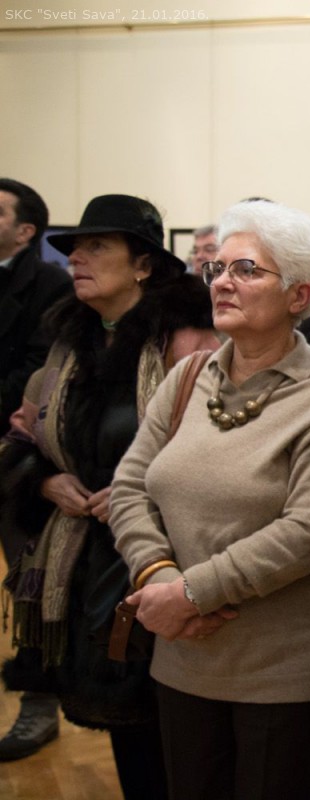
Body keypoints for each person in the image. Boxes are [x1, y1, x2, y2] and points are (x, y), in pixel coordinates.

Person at [109, 200, 310, 800]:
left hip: (283, 664)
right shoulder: (187, 377)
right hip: (183, 649)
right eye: (217, 268)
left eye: (246, 269)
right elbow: (129, 487)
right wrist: (160, 579)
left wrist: (191, 594)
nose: (222, 281)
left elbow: (308, 533)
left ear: (299, 295)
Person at [1, 194, 217, 794]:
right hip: (85, 557)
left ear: (143, 264)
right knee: (127, 732)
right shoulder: (69, 344)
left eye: (97, 247)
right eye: (74, 248)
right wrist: (46, 481)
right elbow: (23, 434)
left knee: (177, 730)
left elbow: (221, 446)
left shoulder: (189, 341)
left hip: (169, 556)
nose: (77, 259)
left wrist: (135, 493)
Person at [0, 178, 72, 762]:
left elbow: (37, 373)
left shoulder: (50, 285)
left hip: (20, 453)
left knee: (31, 578)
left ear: (25, 230)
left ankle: (39, 703)